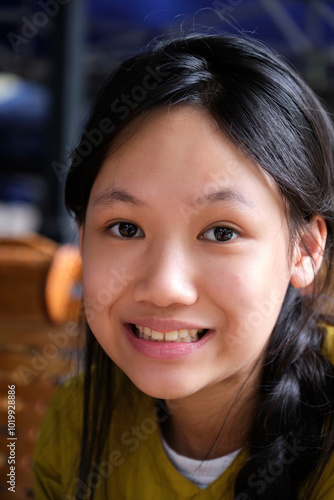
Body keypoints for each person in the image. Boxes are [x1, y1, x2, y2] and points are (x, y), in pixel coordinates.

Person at [33, 32, 334, 500]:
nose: (164, 287)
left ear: (306, 251)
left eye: (222, 233)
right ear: (81, 238)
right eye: (126, 228)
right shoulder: (75, 422)